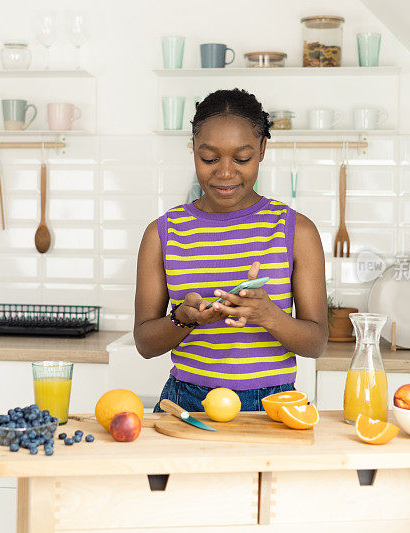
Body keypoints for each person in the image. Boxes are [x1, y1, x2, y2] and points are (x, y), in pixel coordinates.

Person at [134, 88, 328, 413]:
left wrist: (267, 315)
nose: (225, 172)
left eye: (242, 158)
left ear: (263, 149)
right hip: (185, 402)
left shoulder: (297, 231)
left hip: (273, 405)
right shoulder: (163, 233)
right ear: (193, 149)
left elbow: (316, 343)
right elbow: (145, 343)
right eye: (209, 158)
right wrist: (183, 318)